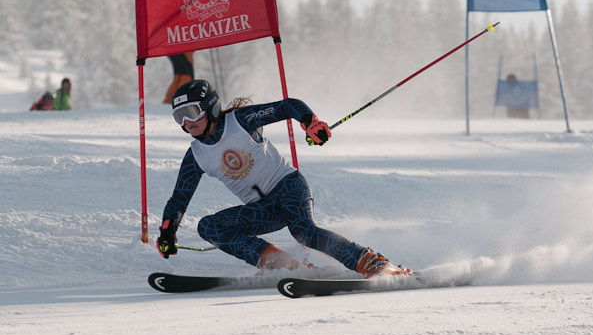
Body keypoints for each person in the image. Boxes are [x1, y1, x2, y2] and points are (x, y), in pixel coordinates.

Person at [156, 79, 413, 278]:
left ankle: (375, 263)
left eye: (192, 112)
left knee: (303, 232)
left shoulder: (241, 120)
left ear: (211, 107)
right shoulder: (196, 155)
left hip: (288, 187)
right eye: (180, 117)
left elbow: (289, 105)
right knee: (208, 226)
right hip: (262, 210)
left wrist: (310, 123)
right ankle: (281, 264)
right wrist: (168, 232)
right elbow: (180, 197)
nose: (187, 122)